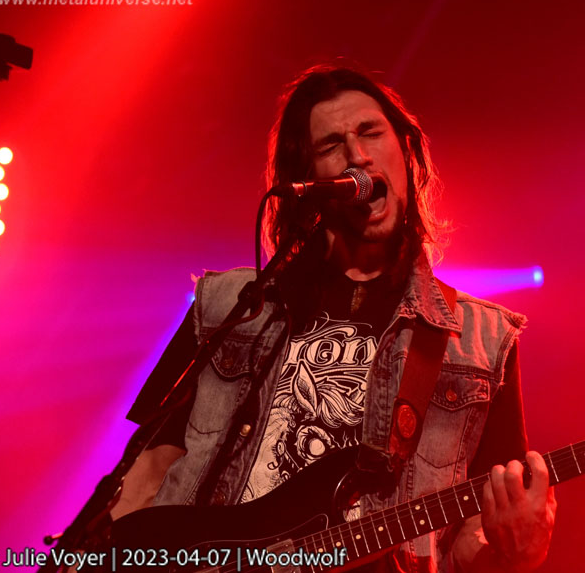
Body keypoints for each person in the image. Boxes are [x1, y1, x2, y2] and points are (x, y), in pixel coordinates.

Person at [114, 64, 556, 572]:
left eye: (371, 132)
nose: (357, 155)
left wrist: (519, 551)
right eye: (331, 145)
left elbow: (475, 530)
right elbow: (151, 466)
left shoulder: (479, 340)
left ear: (405, 152)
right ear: (308, 179)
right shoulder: (228, 303)